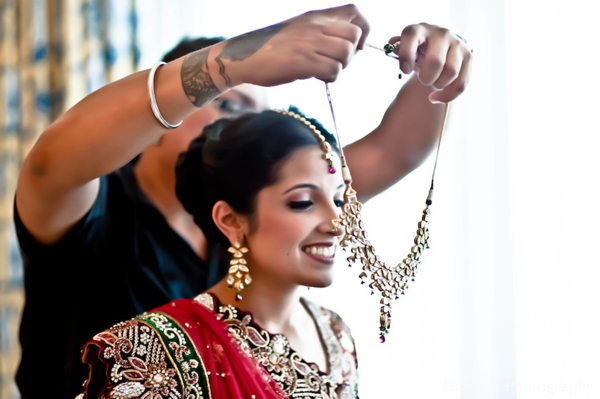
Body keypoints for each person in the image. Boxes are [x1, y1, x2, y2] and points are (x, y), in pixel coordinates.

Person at [13, 4, 473, 398]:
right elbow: (49, 166)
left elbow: (395, 150)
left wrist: (440, 66)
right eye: (227, 105)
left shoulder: (270, 212)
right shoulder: (95, 204)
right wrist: (234, 64)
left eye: (258, 118)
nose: (243, 131)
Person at [78, 106, 359, 398]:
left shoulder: (336, 334)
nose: (337, 225)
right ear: (231, 220)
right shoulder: (159, 352)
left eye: (339, 200)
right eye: (302, 202)